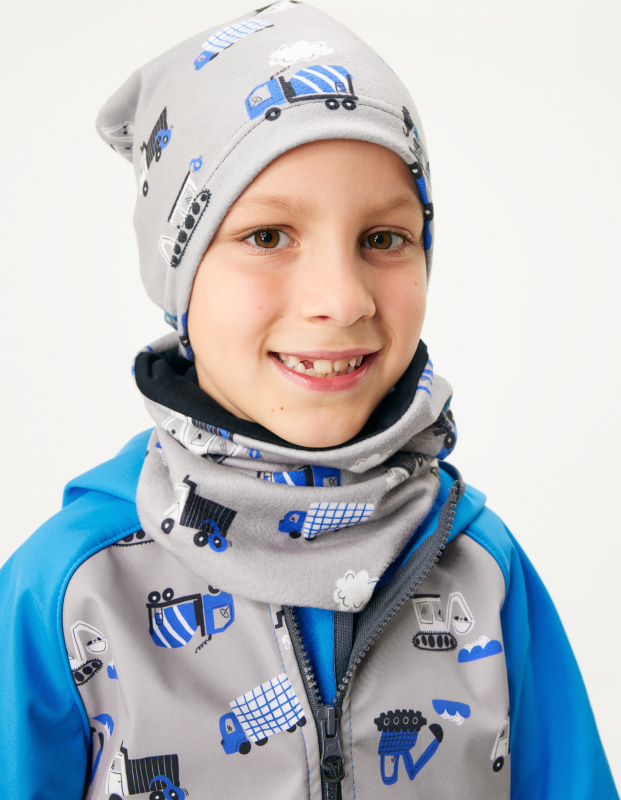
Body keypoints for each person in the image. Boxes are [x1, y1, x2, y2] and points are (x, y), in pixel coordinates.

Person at [1, 3, 618, 798]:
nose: (341, 299)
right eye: (267, 237)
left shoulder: (478, 565)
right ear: (178, 278)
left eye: (383, 239)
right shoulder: (71, 586)